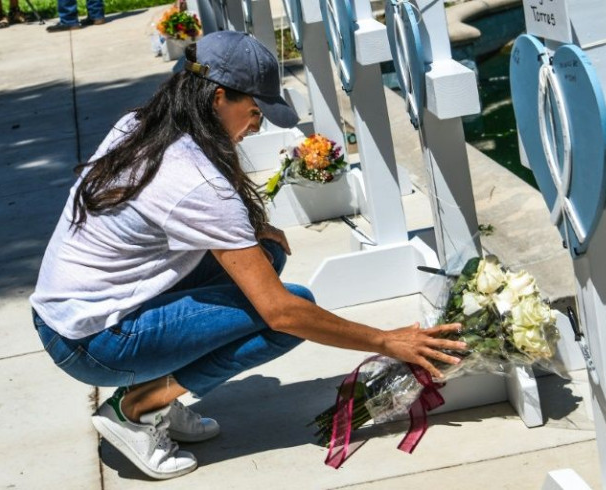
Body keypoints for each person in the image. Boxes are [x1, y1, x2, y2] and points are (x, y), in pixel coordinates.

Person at [29, 31, 466, 480]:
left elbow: (158, 209)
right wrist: (386, 341)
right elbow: (281, 313)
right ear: (218, 97)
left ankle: (154, 389)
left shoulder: (143, 124)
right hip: (94, 343)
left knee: (267, 254)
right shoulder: (195, 182)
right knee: (291, 313)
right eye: (255, 111)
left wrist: (253, 229)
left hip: (66, 315)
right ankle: (139, 406)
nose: (257, 126)